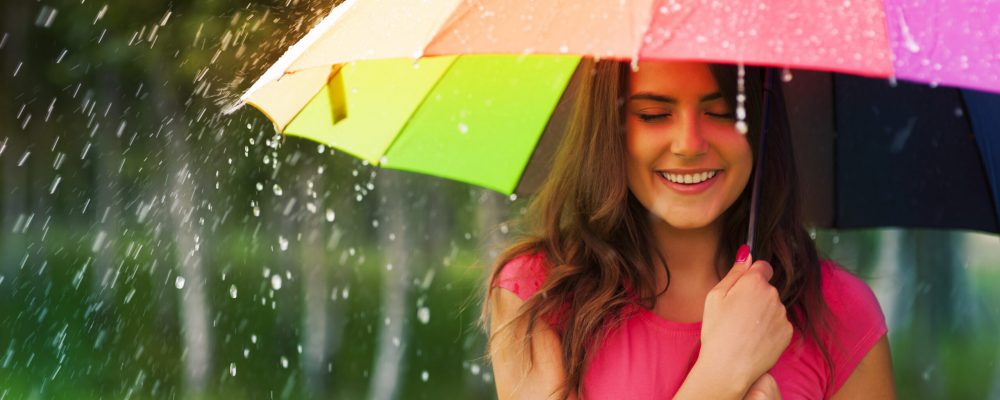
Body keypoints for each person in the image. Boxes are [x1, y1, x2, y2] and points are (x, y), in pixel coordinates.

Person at [483, 59, 895, 399]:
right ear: (611, 128)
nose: (689, 143)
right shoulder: (537, 293)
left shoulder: (841, 311)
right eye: (654, 114)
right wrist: (720, 377)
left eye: (721, 113)